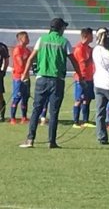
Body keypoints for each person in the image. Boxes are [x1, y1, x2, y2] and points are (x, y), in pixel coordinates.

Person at [19, 18, 83, 148]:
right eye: (64, 27)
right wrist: (80, 74)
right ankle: (51, 141)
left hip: (41, 78)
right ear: (60, 28)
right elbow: (73, 60)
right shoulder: (64, 42)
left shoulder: (42, 39)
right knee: (54, 111)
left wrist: (25, 73)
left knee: (36, 109)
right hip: (57, 80)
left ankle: (30, 140)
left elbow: (32, 58)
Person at [72, 28, 95, 129]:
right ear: (87, 36)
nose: (93, 37)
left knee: (87, 99)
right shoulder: (79, 48)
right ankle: (75, 122)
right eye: (91, 35)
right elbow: (83, 63)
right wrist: (91, 56)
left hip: (90, 77)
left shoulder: (88, 48)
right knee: (79, 99)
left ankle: (85, 120)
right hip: (81, 77)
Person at [10, 31, 31, 125]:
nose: (28, 39)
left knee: (25, 97)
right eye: (26, 37)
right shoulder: (17, 50)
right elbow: (21, 63)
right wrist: (27, 59)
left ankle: (24, 117)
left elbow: (31, 62)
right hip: (18, 77)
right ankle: (12, 118)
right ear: (20, 39)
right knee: (17, 97)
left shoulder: (27, 50)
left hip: (26, 77)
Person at [0, 42, 9, 122]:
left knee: (0, 95)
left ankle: (1, 115)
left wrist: (4, 70)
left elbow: (6, 59)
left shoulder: (2, 47)